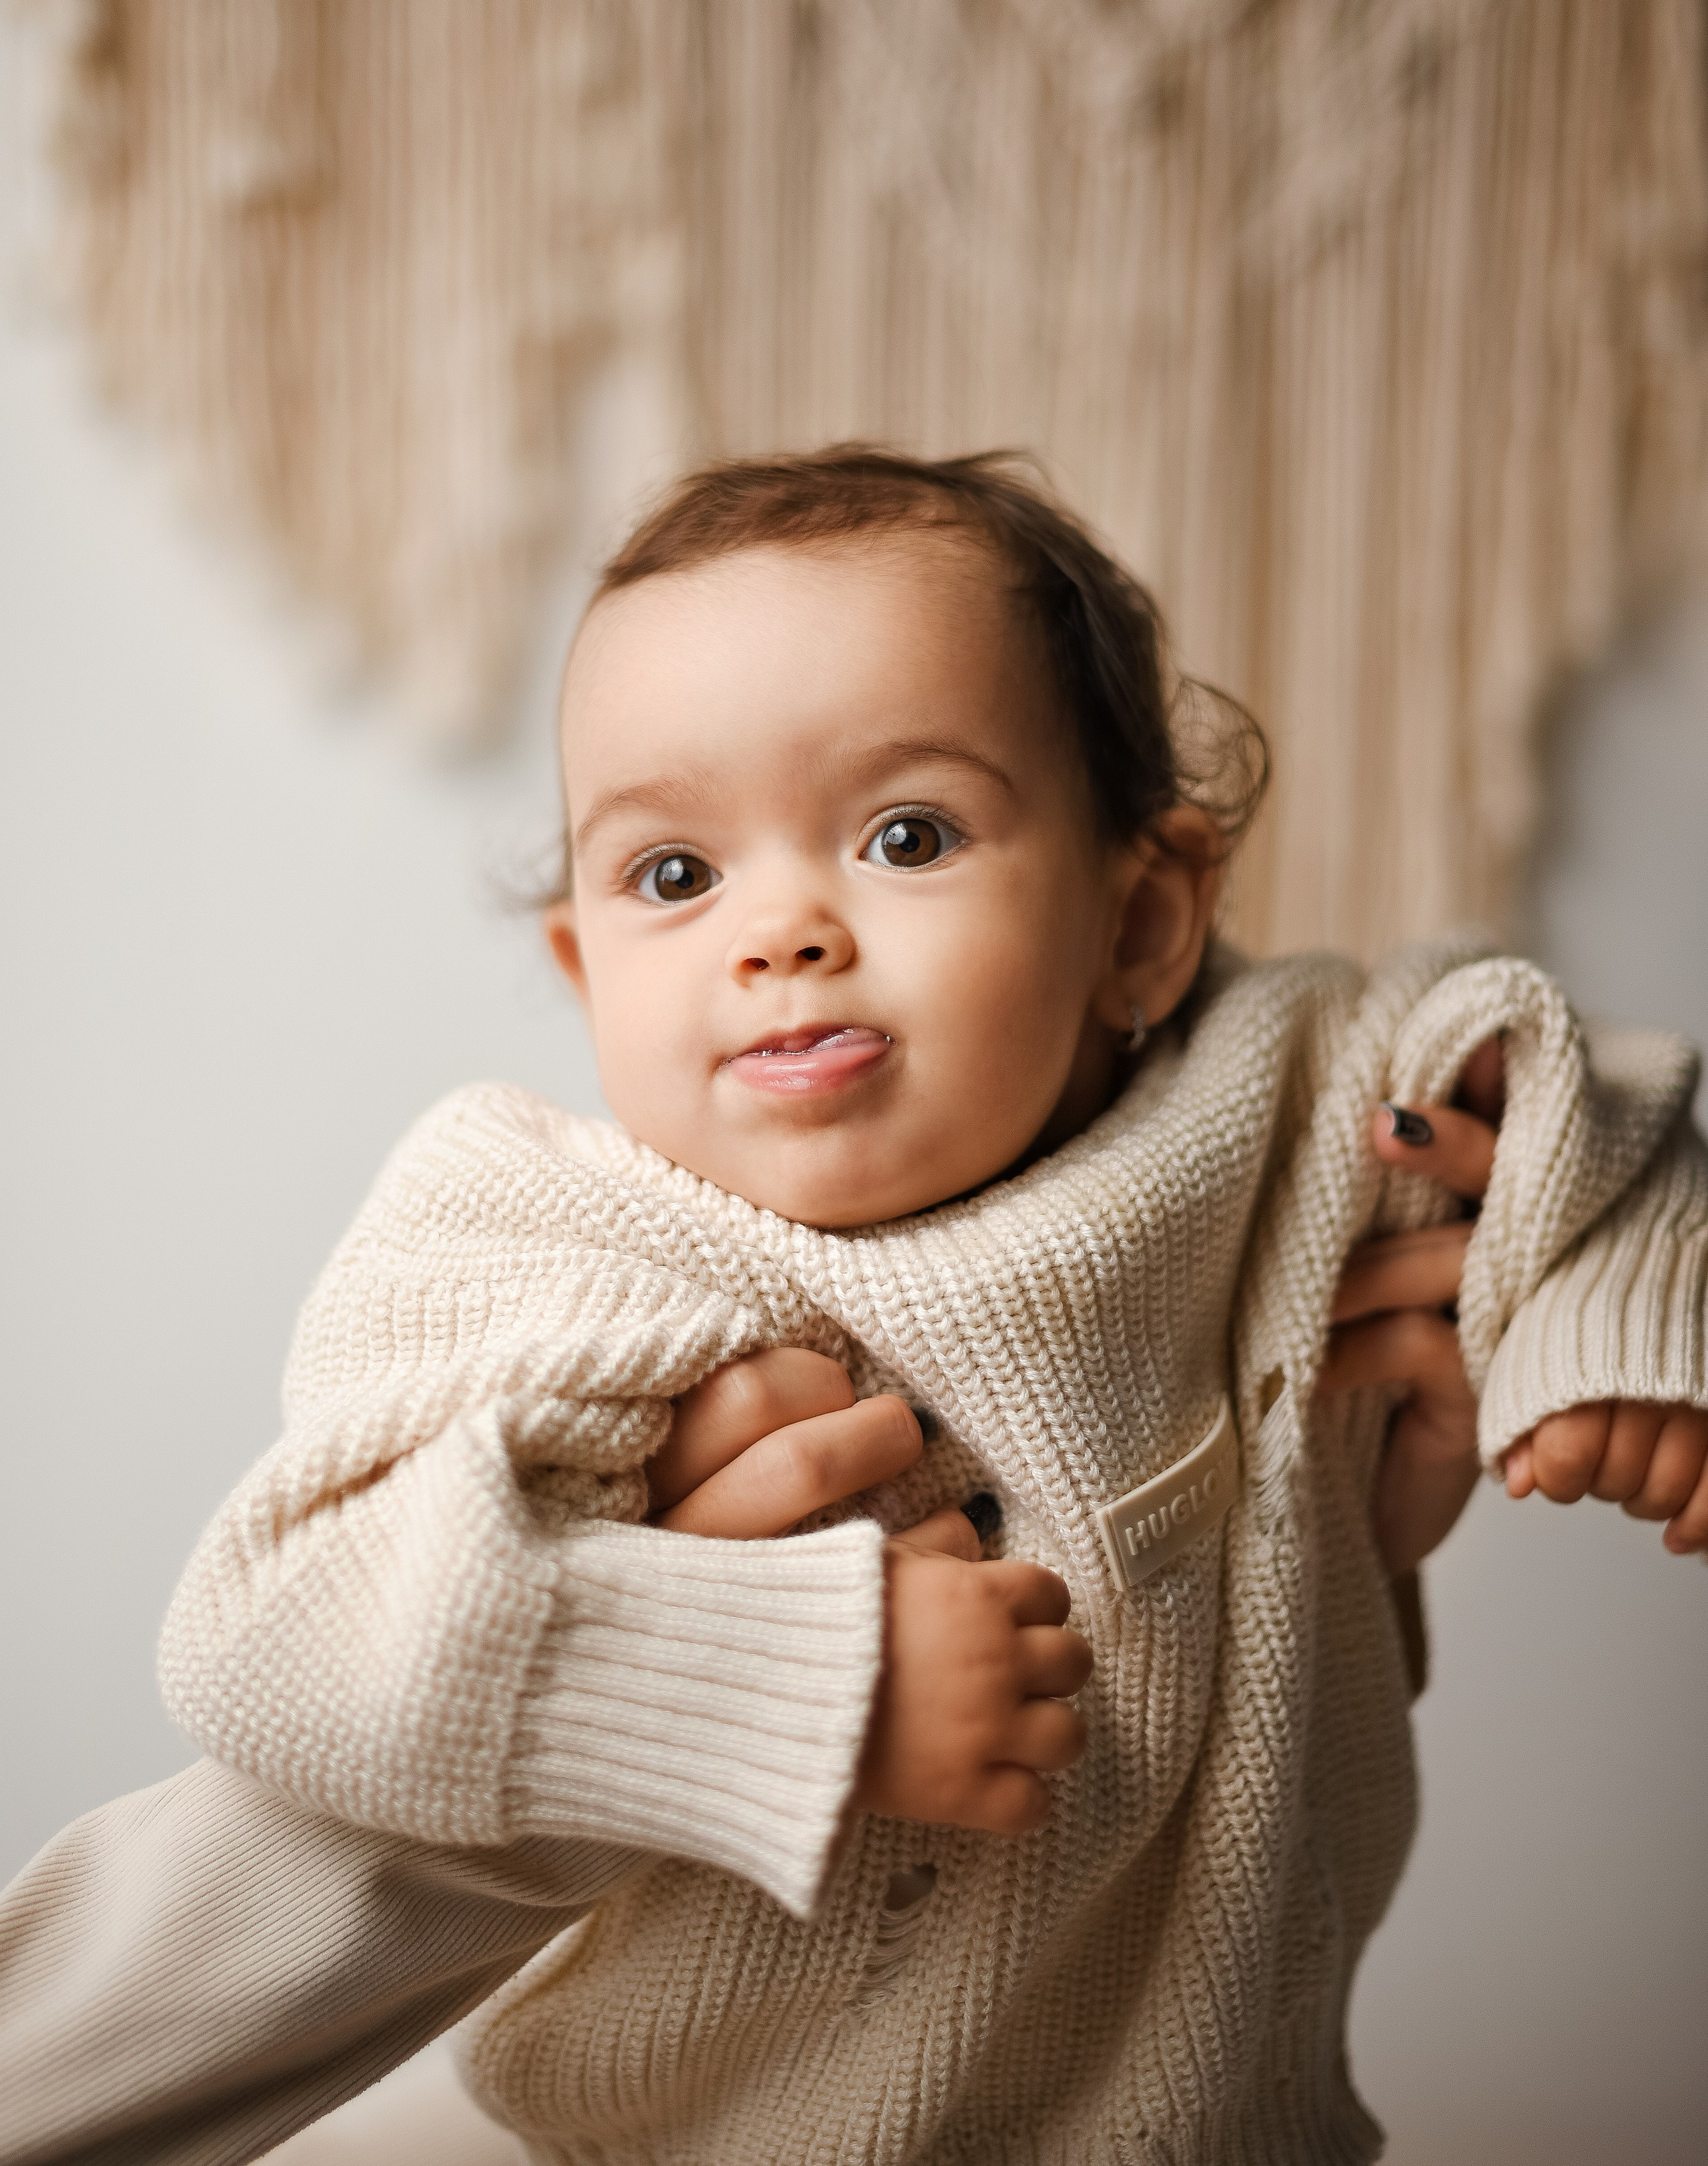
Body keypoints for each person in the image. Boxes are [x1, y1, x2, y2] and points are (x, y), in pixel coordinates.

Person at [3, 449, 1704, 2165]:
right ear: (587, 970)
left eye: (906, 834)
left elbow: (1565, 1074)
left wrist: (1609, 1326)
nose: (781, 930)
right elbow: (276, 1630)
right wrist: (788, 1683)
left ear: (1143, 919)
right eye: (675, 875)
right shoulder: (565, 1247)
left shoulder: (1271, 1097)